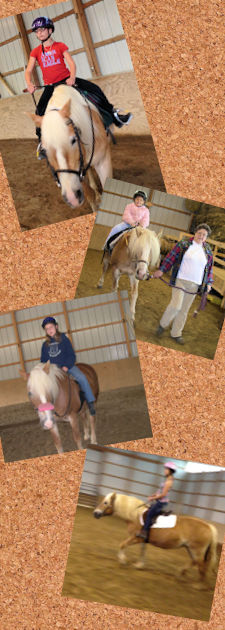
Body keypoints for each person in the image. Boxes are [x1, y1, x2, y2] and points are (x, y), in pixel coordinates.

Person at [25, 16, 133, 158]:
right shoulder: (36, 51)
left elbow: (71, 63)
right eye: (37, 31)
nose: (39, 33)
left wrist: (72, 77)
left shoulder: (60, 46)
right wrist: (30, 83)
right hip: (50, 86)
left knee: (95, 89)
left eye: (42, 29)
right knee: (39, 112)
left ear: (50, 30)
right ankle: (42, 143)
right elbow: (28, 70)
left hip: (66, 80)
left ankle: (114, 115)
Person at [153, 224, 213, 344]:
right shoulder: (184, 244)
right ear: (195, 233)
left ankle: (176, 333)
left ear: (206, 237)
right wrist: (162, 269)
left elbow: (209, 268)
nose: (201, 236)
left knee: (184, 310)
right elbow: (171, 257)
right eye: (199, 233)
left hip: (195, 285)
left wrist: (209, 282)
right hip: (181, 280)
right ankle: (162, 325)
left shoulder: (207, 251)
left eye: (204, 235)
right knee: (176, 305)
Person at [41, 316, 96, 416]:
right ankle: (46, 408)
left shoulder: (64, 339)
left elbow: (71, 355)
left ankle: (90, 401)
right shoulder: (45, 345)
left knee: (81, 377)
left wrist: (66, 366)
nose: (49, 330)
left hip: (67, 367)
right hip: (54, 371)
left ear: (56, 327)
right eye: (47, 328)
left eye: (51, 327)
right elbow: (43, 361)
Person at [136, 461, 176, 542]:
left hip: (162, 502)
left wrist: (153, 498)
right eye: (165, 469)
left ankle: (145, 532)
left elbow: (163, 494)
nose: (165, 470)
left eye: (166, 469)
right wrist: (153, 495)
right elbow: (159, 491)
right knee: (149, 511)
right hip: (159, 500)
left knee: (150, 514)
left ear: (170, 471)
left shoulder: (169, 482)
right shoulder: (166, 480)